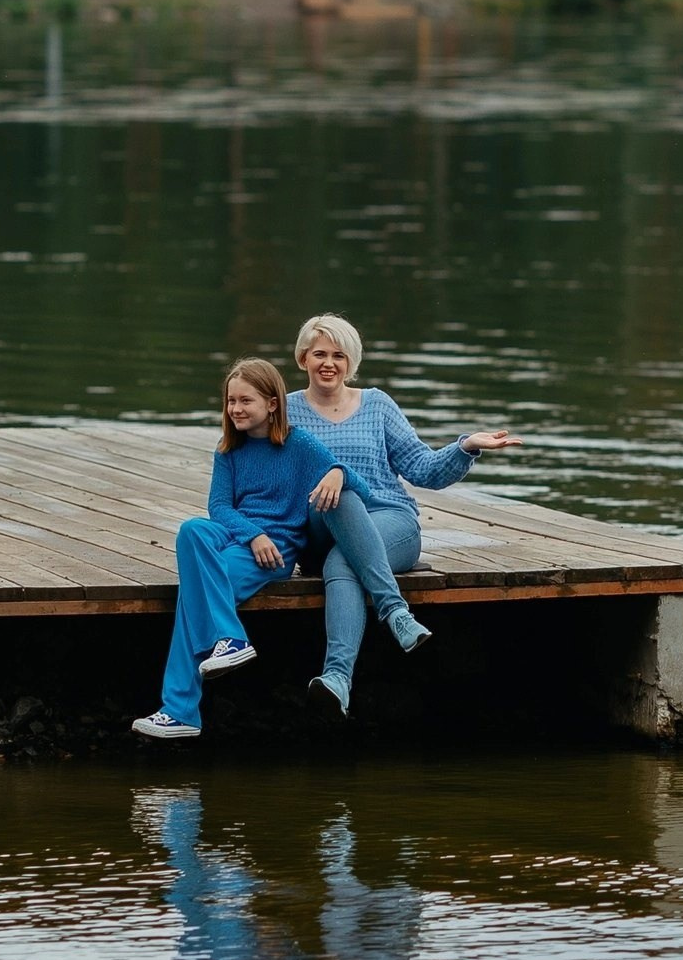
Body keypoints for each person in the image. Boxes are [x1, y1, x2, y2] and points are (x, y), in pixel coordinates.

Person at [134, 357, 402, 740]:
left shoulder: (299, 444)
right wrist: (252, 534)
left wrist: (337, 472)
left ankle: (180, 710)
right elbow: (220, 508)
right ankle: (231, 639)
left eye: (246, 401)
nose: (236, 409)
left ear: (272, 403)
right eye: (231, 402)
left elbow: (362, 487)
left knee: (192, 597)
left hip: (273, 552)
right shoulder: (228, 450)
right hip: (243, 539)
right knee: (193, 529)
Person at [285, 313, 522, 717]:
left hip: (389, 521)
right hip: (320, 524)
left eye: (339, 355)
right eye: (320, 353)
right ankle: (395, 611)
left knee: (345, 559)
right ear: (303, 358)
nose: (329, 363)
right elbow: (269, 479)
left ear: (351, 362)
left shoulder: (376, 404)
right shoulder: (286, 411)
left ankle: (337, 679)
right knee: (340, 492)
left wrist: (465, 446)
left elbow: (422, 468)